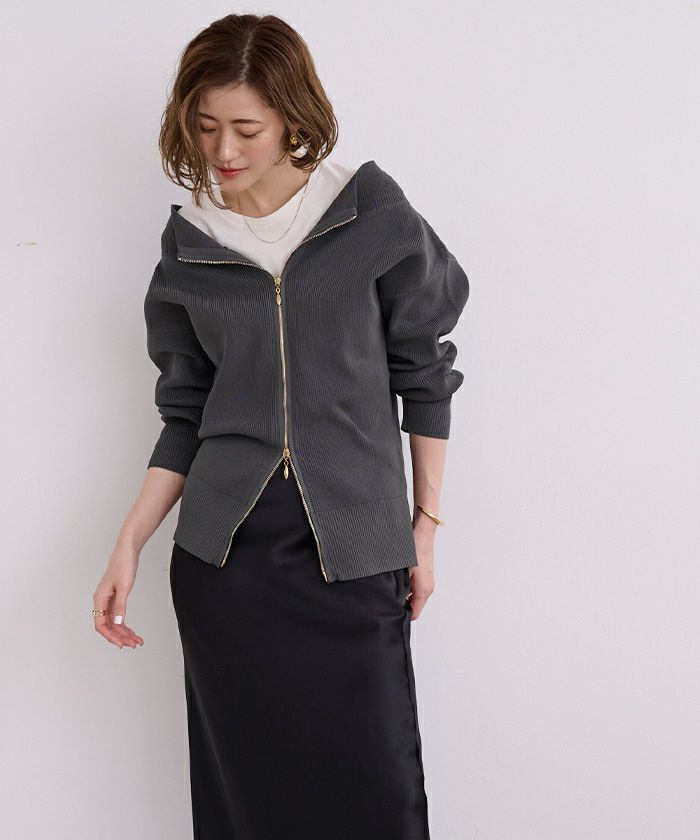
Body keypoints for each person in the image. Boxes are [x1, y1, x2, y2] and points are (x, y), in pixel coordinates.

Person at [92, 12, 470, 840]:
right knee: (249, 801)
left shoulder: (370, 214)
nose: (222, 150)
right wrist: (130, 541)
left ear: (293, 119)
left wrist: (426, 527)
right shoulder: (191, 244)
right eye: (204, 126)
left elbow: (425, 373)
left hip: (354, 546)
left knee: (378, 794)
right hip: (227, 562)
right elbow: (185, 414)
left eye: (246, 128)